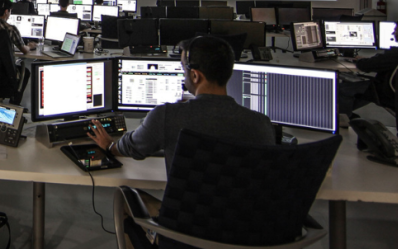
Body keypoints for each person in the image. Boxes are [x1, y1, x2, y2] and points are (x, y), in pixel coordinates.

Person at [87, 36, 275, 249]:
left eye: (183, 69)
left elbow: (131, 147)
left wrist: (109, 146)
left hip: (187, 235)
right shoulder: (261, 124)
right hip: (247, 236)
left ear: (195, 75)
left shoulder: (168, 116)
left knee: (125, 197)